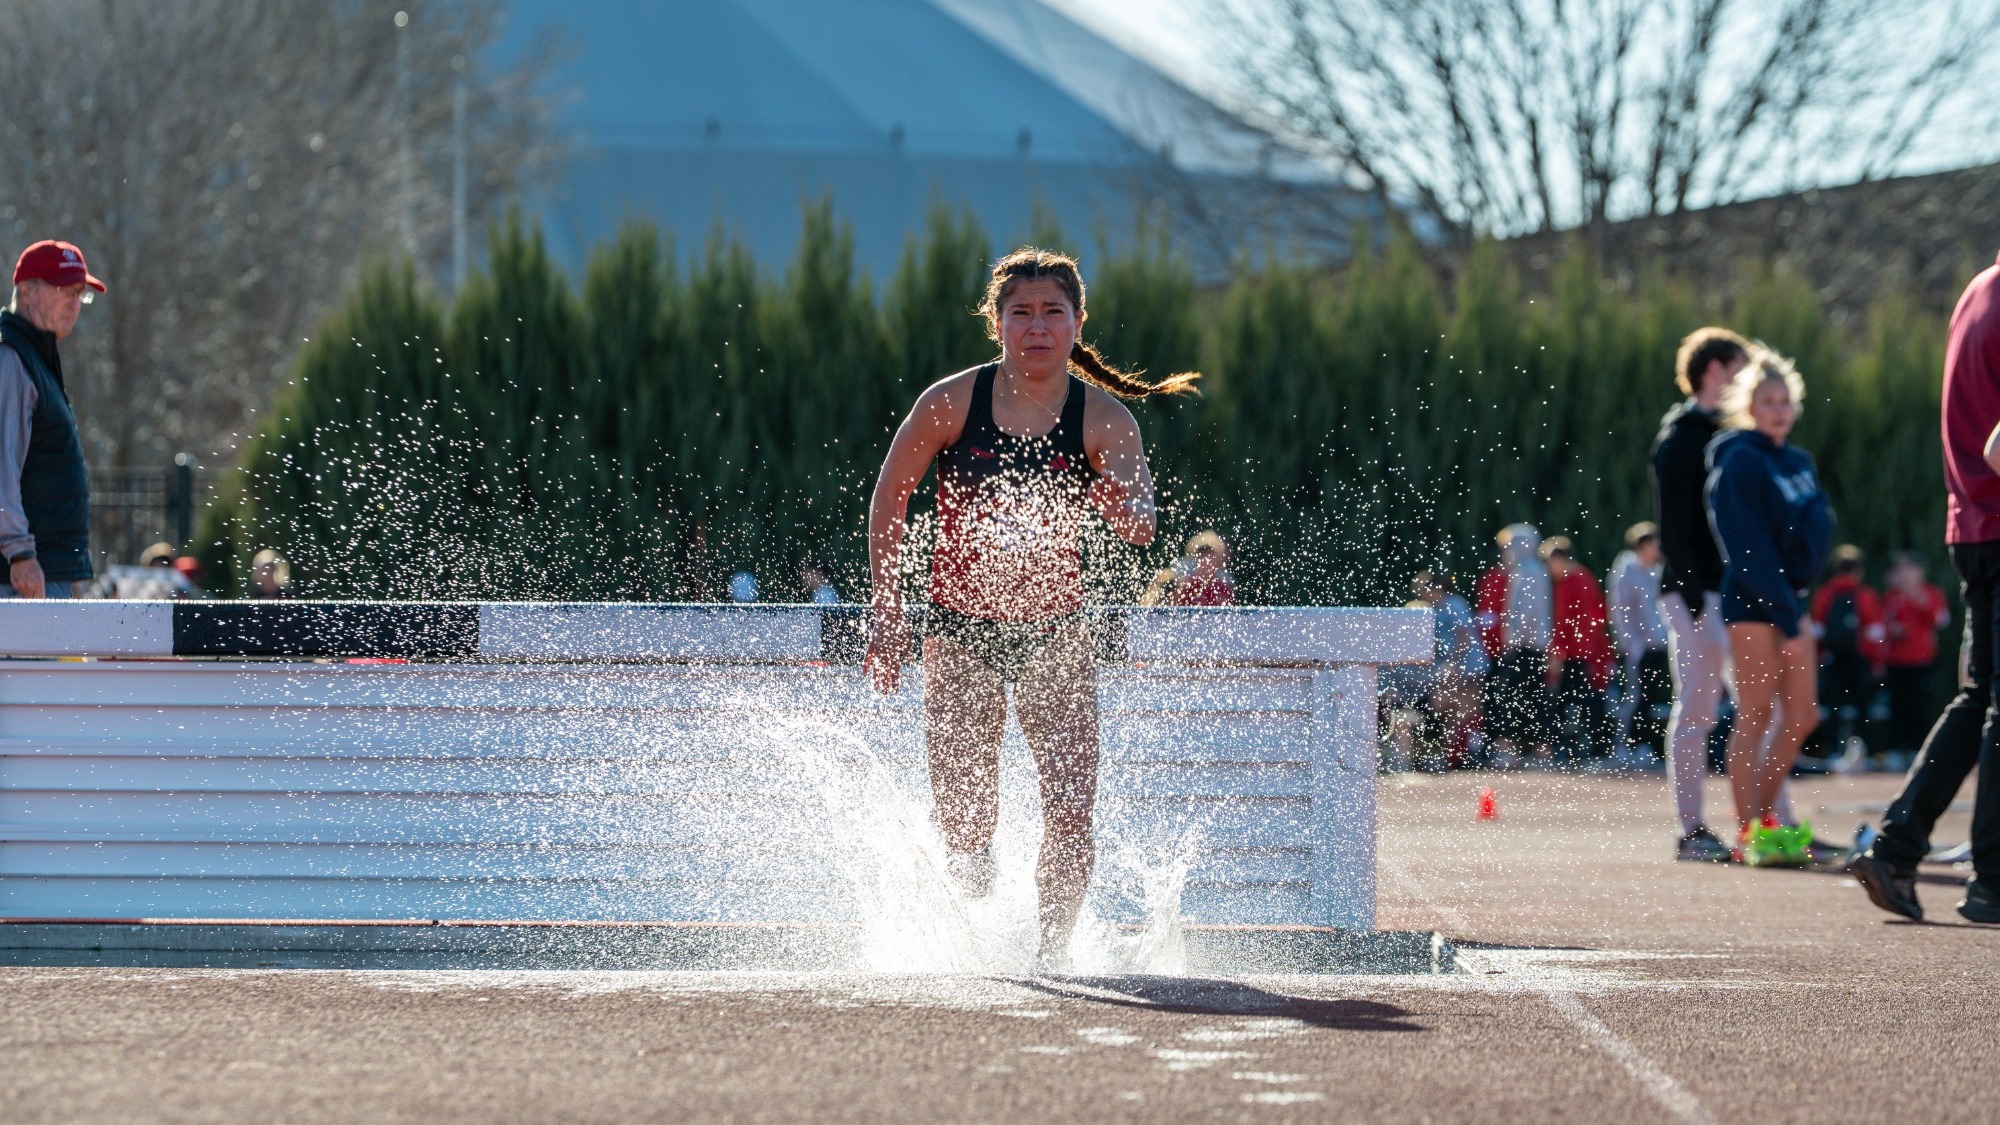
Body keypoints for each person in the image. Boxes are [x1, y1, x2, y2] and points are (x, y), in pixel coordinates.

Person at [864, 247, 1194, 968]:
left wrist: (1124, 511)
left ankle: (1052, 957)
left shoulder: (1104, 418)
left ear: (1077, 323)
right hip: (961, 630)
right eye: (1021, 313)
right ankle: (972, 903)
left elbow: (1144, 521)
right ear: (997, 323)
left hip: (1056, 633)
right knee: (965, 825)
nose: (1037, 327)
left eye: (1053, 312)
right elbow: (891, 496)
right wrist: (888, 608)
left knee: (1072, 809)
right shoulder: (951, 402)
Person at [1851, 249, 2000, 924]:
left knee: (1981, 697)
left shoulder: (1979, 290)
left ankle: (1896, 847)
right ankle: (1992, 880)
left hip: (1973, 523)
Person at [1651, 326, 1804, 863]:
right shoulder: (1679, 441)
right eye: (1741, 367)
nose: (1752, 379)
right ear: (1715, 371)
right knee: (1697, 711)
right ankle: (1692, 829)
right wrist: (1695, 600)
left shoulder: (1744, 441)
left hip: (1738, 597)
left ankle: (1776, 824)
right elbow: (1673, 530)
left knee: (1764, 711)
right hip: (1695, 597)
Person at [1705, 348, 1833, 867]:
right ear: (1749, 406)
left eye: (1785, 401)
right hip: (1754, 602)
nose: (1779, 410)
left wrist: (1795, 604)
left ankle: (1764, 819)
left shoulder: (1798, 461)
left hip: (1790, 600)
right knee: (1755, 713)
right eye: (1768, 401)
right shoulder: (1739, 460)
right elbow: (1747, 549)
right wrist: (1787, 616)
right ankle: (1751, 831)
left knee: (1802, 715)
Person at [0, 240, 105, 600]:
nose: (74, 303)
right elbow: (2, 467)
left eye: (79, 293)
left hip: (44, 571)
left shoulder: (35, 356)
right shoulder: (11, 358)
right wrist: (19, 552)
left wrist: (69, 572)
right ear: (27, 291)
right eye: (64, 290)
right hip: (21, 576)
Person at [1475, 524, 1553, 768]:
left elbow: (1525, 612)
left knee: (1519, 698)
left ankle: (1525, 750)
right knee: (1529, 697)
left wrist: (1513, 641)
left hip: (1525, 646)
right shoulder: (1530, 570)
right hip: (1529, 645)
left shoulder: (1529, 571)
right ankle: (1535, 750)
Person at [1808, 545, 1885, 761]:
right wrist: (1876, 661)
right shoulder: (1865, 594)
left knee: (1833, 704)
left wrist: (1820, 655)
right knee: (1863, 704)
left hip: (1832, 657)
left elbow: (1817, 628)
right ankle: (1866, 751)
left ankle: (1833, 749)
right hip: (1859, 656)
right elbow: (1875, 632)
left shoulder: (1824, 593)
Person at [1541, 536, 1614, 761]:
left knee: (1571, 700)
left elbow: (1568, 620)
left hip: (1578, 653)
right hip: (1587, 651)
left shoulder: (1572, 580)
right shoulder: (1583, 577)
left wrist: (1559, 652)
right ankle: (1589, 747)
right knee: (1585, 700)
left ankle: (1572, 748)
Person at [1878, 552, 1950, 767]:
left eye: (1909, 568)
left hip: (1921, 660)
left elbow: (1940, 620)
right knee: (1896, 705)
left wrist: (1918, 597)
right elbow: (1881, 624)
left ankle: (1919, 748)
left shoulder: (1930, 593)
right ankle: (1895, 749)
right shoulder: (1892, 596)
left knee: (1919, 706)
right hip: (1895, 660)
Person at [1609, 522, 1673, 757]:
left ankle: (1644, 744)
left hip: (1657, 645)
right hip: (1638, 648)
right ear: (1643, 545)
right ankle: (1624, 744)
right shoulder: (1626, 572)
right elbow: (1621, 611)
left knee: (1651, 697)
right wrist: (1630, 643)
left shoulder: (1655, 572)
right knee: (1634, 697)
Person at [1165, 531, 1235, 606]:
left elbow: (1231, 610)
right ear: (1195, 558)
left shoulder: (1224, 585)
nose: (1207, 560)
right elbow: (1170, 609)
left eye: (1211, 555)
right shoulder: (1185, 584)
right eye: (1202, 554)